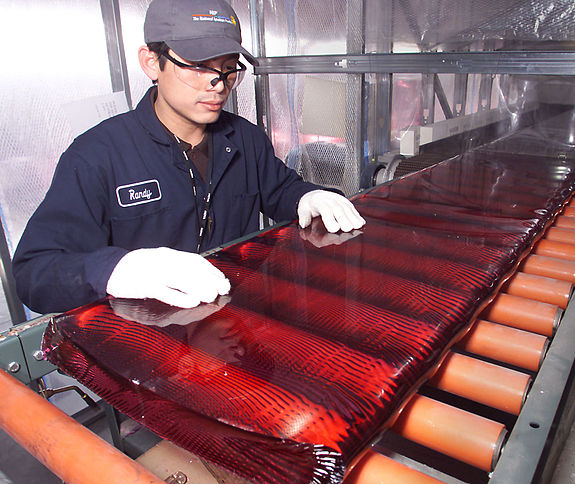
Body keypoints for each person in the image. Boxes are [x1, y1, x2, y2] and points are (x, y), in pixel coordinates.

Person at [12, 0, 365, 315]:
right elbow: (34, 272)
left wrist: (307, 196)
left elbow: (279, 189)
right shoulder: (97, 156)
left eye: (228, 68)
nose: (218, 83)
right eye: (199, 66)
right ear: (152, 62)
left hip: (234, 325)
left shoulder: (243, 138)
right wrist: (115, 269)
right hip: (150, 347)